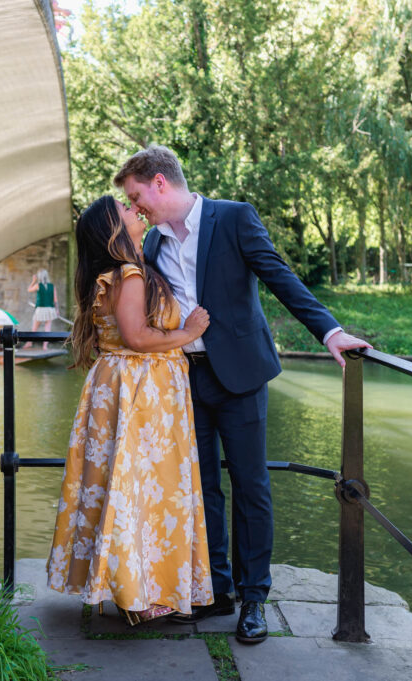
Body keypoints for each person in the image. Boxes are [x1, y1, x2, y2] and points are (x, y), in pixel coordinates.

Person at [114, 145, 371, 643]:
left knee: (252, 487)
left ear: (160, 183)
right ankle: (216, 590)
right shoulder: (149, 247)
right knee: (202, 487)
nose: (135, 205)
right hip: (184, 379)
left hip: (242, 377)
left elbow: (280, 277)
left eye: (136, 194)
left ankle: (254, 598)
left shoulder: (234, 219)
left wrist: (330, 332)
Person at [46, 196, 214, 626]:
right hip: (141, 389)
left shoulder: (115, 272)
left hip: (118, 386)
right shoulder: (131, 273)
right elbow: (137, 337)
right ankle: (134, 596)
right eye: (123, 207)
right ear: (113, 227)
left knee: (118, 485)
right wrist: (187, 332)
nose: (132, 209)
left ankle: (124, 589)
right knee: (138, 487)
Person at [25, 269, 58, 350]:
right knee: (47, 328)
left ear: (40, 277)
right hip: (50, 309)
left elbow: (29, 289)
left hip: (40, 309)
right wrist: (57, 310)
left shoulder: (38, 285)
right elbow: (55, 299)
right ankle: (45, 346)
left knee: (34, 328)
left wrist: (33, 281)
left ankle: (29, 342)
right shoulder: (52, 286)